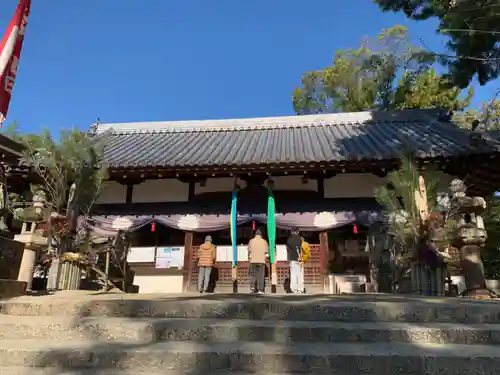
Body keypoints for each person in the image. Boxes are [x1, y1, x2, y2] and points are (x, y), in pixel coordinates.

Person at [248, 229, 269, 294]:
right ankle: (260, 289)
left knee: (253, 275)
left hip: (253, 261)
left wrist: (249, 258)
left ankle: (253, 288)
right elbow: (267, 252)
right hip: (261, 261)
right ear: (261, 235)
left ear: (255, 235)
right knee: (261, 275)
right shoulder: (264, 241)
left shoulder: (251, 241)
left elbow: (249, 251)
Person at [286, 227, 304, 293]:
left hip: (292, 259)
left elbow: (288, 250)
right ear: (298, 232)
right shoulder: (301, 239)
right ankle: (300, 289)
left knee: (293, 274)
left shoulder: (289, 240)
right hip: (299, 259)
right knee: (300, 274)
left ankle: (294, 289)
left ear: (291, 232)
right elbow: (302, 249)